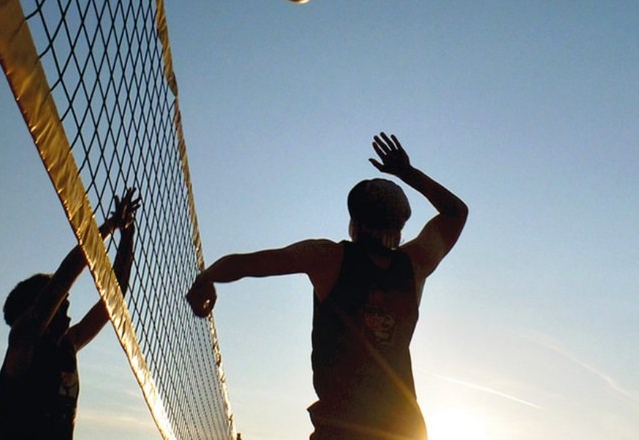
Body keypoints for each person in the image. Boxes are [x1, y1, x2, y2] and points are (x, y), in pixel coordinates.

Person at [187, 133, 468, 440]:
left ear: (355, 222)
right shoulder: (415, 264)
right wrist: (407, 172)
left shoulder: (328, 257)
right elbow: (456, 212)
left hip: (343, 429)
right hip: (403, 429)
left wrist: (206, 279)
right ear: (400, 227)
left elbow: (245, 264)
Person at [0, 188, 140, 440]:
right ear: (37, 307)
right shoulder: (23, 344)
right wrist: (109, 226)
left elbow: (113, 302)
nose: (66, 304)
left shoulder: (67, 345)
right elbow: (64, 278)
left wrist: (127, 236)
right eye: (61, 302)